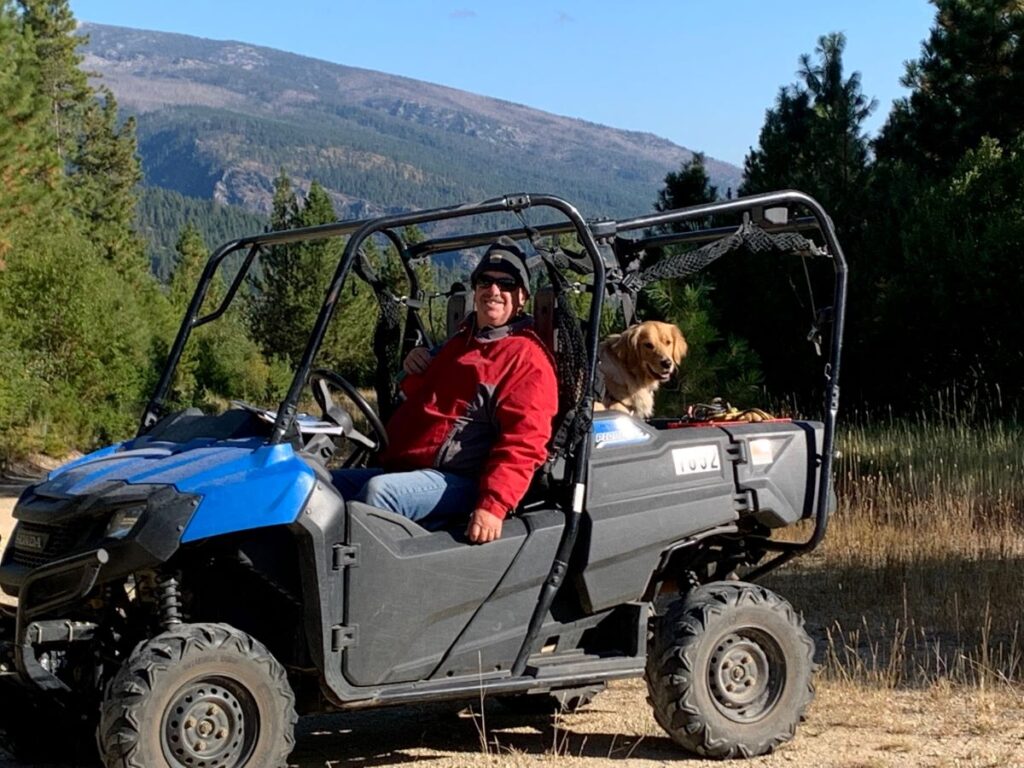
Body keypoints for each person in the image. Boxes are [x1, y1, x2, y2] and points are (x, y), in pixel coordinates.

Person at [332, 236, 558, 544]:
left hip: (464, 480)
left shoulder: (526, 358)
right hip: (411, 468)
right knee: (322, 484)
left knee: (378, 495)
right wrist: (413, 368)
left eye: (506, 284)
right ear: (475, 288)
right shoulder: (462, 342)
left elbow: (526, 441)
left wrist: (493, 504)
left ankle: (355, 586)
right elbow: (424, 401)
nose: (494, 291)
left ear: (522, 297)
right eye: (485, 281)